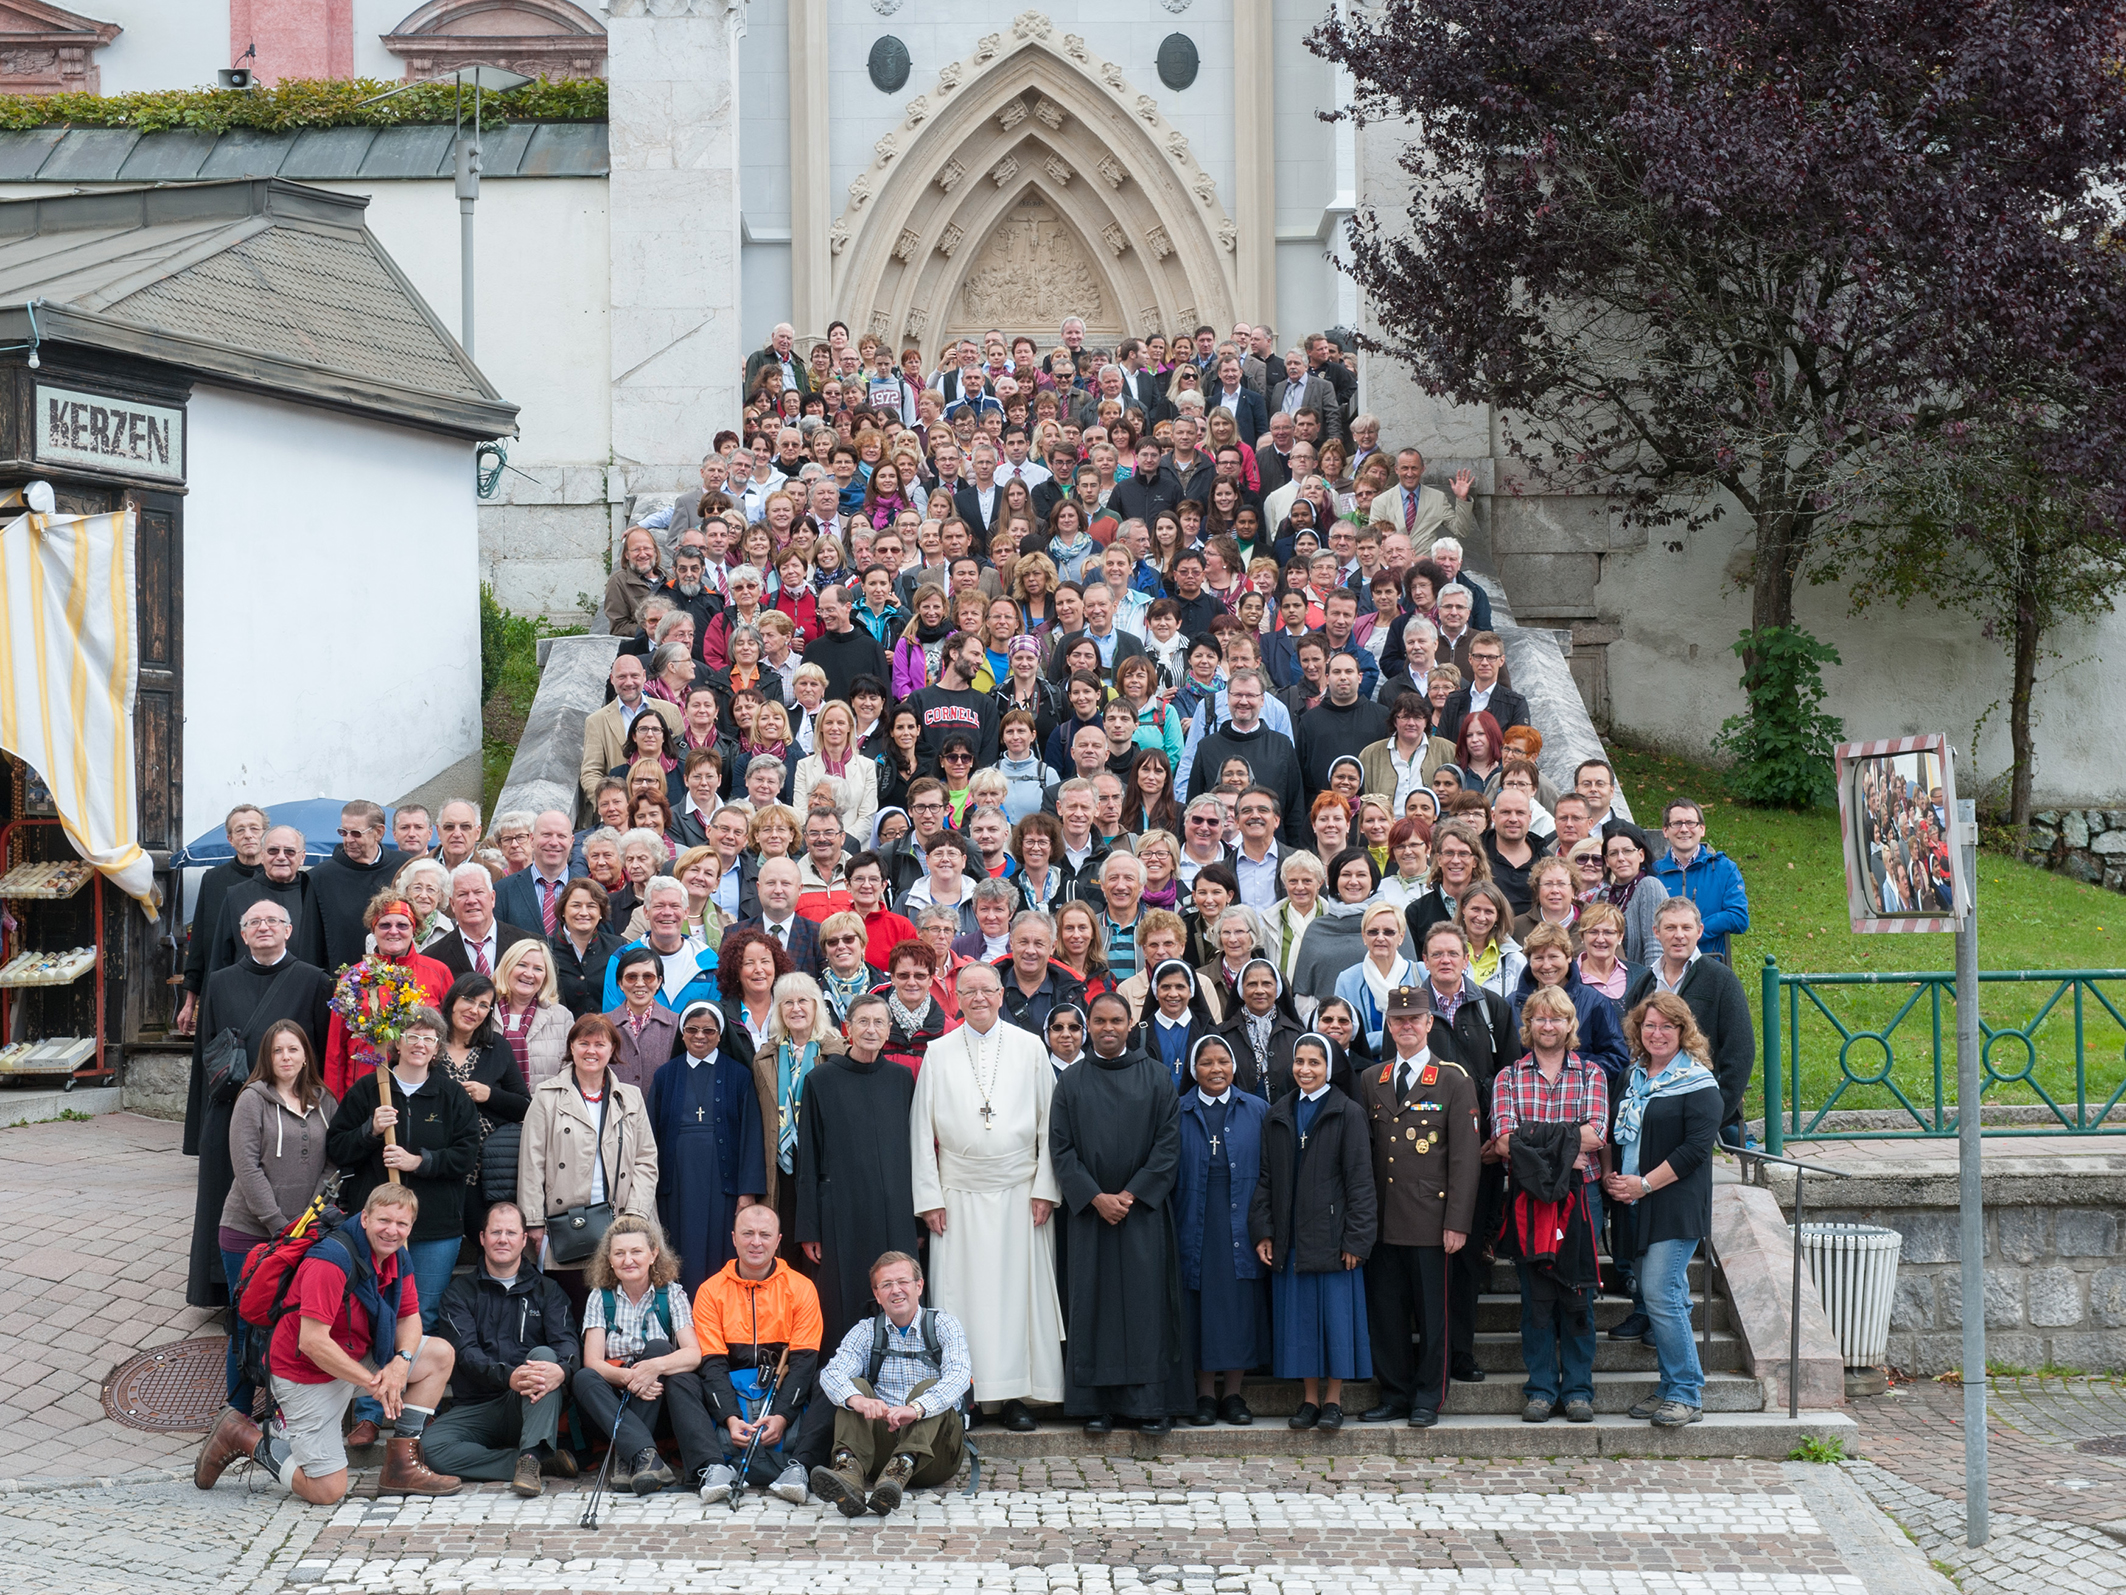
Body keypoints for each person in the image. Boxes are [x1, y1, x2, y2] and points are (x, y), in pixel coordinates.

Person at [193, 1184, 460, 1502]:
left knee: (439, 1355)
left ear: (411, 1227)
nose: (392, 1231)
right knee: (326, 1490)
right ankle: (241, 1435)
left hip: (352, 1357)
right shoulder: (331, 1260)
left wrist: (401, 1362)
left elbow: (409, 1317)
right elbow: (312, 1342)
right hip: (304, 1373)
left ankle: (401, 1467)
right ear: (365, 1218)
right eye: (384, 1220)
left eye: (402, 1224)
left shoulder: (396, 1254)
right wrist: (376, 1382)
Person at [909, 960, 1063, 1430]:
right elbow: (921, 1131)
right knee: (962, 1299)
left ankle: (1016, 1395)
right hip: (958, 1195)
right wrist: (929, 1198)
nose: (978, 997)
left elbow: (1050, 1124)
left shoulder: (1030, 1047)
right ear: (956, 998)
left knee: (1017, 1298)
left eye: (987, 990)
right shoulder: (938, 1052)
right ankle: (965, 1394)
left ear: (1001, 995)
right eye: (968, 991)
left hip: (1021, 1193)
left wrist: (1046, 1188)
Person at [184, 896, 333, 1310]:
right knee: (226, 1199)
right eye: (254, 922)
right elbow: (208, 1052)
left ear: (288, 930)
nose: (263, 927)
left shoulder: (314, 980)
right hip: (231, 1106)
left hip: (293, 1108)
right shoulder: (219, 982)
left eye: (272, 920)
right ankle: (225, 1290)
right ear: (242, 934)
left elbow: (321, 1052)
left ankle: (287, 1292)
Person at [1050, 989, 1186, 1434]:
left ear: (1130, 1025)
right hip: (1091, 1216)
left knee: (1146, 1307)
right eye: (1099, 1021)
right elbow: (1060, 1148)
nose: (1107, 1028)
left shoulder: (1157, 1077)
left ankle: (1148, 1404)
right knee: (1093, 1305)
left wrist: (1131, 1194)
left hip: (1142, 1213)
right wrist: (1095, 1197)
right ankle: (1096, 1404)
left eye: (1116, 1021)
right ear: (1088, 1027)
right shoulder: (1071, 1081)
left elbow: (1168, 1145)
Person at [1354, 982, 1481, 1427]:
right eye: (1398, 1020)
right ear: (1388, 1026)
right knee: (1386, 1314)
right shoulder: (1372, 1079)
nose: (1406, 1026)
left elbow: (1465, 1159)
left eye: (1414, 1019)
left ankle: (1428, 1396)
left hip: (1431, 1221)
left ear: (1429, 1023)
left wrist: (1457, 1221)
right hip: (1383, 1221)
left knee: (1433, 1316)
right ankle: (1394, 1393)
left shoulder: (1452, 1080)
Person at [326, 1005, 480, 1350]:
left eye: (429, 1038)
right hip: (377, 1227)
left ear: (438, 1048)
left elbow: (466, 1156)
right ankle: (370, 1385)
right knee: (369, 1312)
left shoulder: (451, 1096)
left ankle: (410, 1381)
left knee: (421, 1314)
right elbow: (336, 1147)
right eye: (412, 1036)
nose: (420, 1044)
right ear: (397, 1042)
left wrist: (420, 1162)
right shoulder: (370, 1090)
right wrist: (370, 1130)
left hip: (434, 1227)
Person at [1603, 994, 1723, 1427]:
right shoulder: (1631, 1076)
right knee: (1662, 1295)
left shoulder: (1698, 1083)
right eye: (1649, 1025)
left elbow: (1694, 1151)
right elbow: (1612, 1132)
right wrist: (1613, 1176)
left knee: (1660, 1292)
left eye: (1667, 1026)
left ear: (1683, 1031)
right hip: (1633, 1201)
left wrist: (1646, 1183)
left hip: (1674, 1204)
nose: (1657, 1034)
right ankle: (1671, 1386)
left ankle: (1687, 1393)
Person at [1491, 985, 1608, 1425]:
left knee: (1578, 1295)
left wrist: (1532, 1141)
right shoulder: (1508, 1077)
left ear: (1569, 1024)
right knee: (1535, 1297)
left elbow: (1596, 1134)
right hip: (1529, 1198)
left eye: (1556, 1018)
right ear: (1528, 1024)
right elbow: (1504, 1141)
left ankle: (1578, 1391)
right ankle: (1540, 1390)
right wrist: (1564, 1144)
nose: (1547, 1025)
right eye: (1539, 1018)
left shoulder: (1592, 1074)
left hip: (1582, 1194)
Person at [1251, 1030, 1376, 1432]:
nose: (1305, 1070)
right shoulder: (1279, 1112)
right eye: (1299, 1062)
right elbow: (1266, 1178)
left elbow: (1361, 1182)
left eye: (1314, 1062)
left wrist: (1357, 1239)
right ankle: (1308, 1400)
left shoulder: (1347, 1112)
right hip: (1290, 1236)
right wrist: (1264, 1230)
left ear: (1330, 1067)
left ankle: (1334, 1400)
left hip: (1334, 1236)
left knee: (1335, 1322)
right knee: (1301, 1321)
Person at [217, 1021, 338, 1420]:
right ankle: (236, 1416)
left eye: (293, 1049)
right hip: (249, 1231)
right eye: (277, 1051)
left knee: (290, 1325)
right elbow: (246, 1167)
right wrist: (277, 1224)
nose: (286, 1057)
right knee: (247, 1323)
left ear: (305, 1055)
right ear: (267, 1057)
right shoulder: (252, 1099)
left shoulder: (324, 1100)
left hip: (303, 1233)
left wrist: (308, 1218)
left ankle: (282, 1412)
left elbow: (332, 1162)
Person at [425, 1201, 582, 1495]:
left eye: (511, 1233)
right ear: (482, 1238)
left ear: (524, 1240)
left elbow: (568, 1344)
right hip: (476, 1407)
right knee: (431, 1449)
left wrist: (562, 1371)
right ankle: (534, 1461)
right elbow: (465, 1353)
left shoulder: (547, 1291)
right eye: (496, 1232)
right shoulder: (459, 1294)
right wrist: (508, 1376)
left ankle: (531, 1458)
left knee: (545, 1358)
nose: (503, 1239)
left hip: (528, 1404)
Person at [808, 1251, 971, 1516]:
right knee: (854, 1387)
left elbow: (959, 1376)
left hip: (935, 1455)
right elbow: (831, 1373)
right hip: (881, 1453)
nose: (896, 1290)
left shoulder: (944, 1325)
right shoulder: (865, 1330)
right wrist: (858, 1400)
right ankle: (849, 1474)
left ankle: (902, 1467)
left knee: (928, 1388)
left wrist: (916, 1409)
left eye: (903, 1282)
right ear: (877, 1294)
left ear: (919, 1286)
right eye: (886, 1285)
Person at [517, 1015, 661, 1311]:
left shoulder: (630, 1097)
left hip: (622, 1219)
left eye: (600, 1044)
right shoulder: (546, 1096)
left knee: (620, 1309)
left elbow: (646, 1160)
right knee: (573, 1308)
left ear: (612, 1049)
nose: (591, 1051)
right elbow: (531, 1162)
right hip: (566, 1223)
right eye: (583, 1043)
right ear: (571, 1047)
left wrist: (635, 1215)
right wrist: (533, 1220)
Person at [686, 1204, 821, 1504]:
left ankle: (799, 1468)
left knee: (827, 1379)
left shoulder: (802, 1288)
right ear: (734, 1238)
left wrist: (782, 1417)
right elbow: (712, 1364)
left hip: (782, 1393)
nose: (756, 1242)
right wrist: (730, 1418)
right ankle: (713, 1467)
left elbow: (803, 1364)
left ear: (778, 1240)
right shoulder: (710, 1291)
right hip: (730, 1400)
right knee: (682, 1381)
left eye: (765, 1235)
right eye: (748, 1234)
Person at [1174, 1032, 1270, 1426]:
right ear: (1193, 1069)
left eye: (1223, 1061)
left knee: (1238, 1308)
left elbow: (1270, 1173)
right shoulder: (1178, 1110)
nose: (1216, 1069)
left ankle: (1233, 1394)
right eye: (1206, 1062)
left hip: (1242, 1223)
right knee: (1199, 1308)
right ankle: (1203, 1395)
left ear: (1234, 1066)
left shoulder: (1258, 1109)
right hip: (1194, 1221)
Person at [570, 1214, 701, 1494]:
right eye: (619, 1253)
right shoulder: (599, 1297)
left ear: (653, 1255)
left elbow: (693, 1355)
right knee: (583, 1377)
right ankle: (644, 1455)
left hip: (656, 1401)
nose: (628, 1260)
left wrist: (653, 1368)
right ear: (609, 1259)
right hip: (611, 1402)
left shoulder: (672, 1294)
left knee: (658, 1347)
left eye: (636, 1251)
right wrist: (631, 1377)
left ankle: (627, 1456)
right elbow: (592, 1361)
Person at [649, 1002, 766, 1295]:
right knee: (678, 1251)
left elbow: (752, 1134)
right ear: (682, 1033)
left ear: (720, 1034)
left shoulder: (739, 1075)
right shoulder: (665, 1075)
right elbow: (650, 1135)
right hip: (676, 1184)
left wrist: (747, 1191)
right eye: (692, 1029)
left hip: (723, 1185)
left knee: (719, 1253)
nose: (700, 1036)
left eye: (708, 1031)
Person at [1623, 898, 1756, 1148]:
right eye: (1670, 928)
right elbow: (1630, 1042)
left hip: (1697, 1106)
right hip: (1649, 1111)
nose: (1679, 935)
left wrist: (1716, 1110)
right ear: (1656, 932)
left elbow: (1741, 1050)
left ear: (1699, 931)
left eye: (1686, 927)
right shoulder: (1645, 983)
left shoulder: (1721, 980)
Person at [322, 892, 454, 1099]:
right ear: (373, 929)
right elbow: (335, 1048)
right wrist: (335, 1101)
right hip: (363, 1089)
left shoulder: (438, 972)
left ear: (414, 929)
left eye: (402, 925)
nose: (394, 931)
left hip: (421, 1090)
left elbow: (452, 1040)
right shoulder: (353, 978)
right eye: (385, 925)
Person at [433, 972, 533, 1238]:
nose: (474, 1010)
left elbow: (525, 1105)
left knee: (483, 1237)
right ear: (453, 1000)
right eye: (468, 999)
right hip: (436, 1165)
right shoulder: (428, 1043)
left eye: (483, 1005)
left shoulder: (496, 1047)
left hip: (484, 1171)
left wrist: (489, 1095)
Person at [178, 803, 268, 1034]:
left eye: (254, 828)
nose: (248, 835)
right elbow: (199, 943)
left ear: (265, 834)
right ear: (230, 839)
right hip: (222, 989)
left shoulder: (279, 879)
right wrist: (189, 1003)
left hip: (269, 988)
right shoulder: (213, 880)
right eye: (240, 830)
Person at [306, 801, 407, 976]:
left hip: (403, 980)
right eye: (343, 832)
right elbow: (310, 946)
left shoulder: (403, 866)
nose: (348, 840)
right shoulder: (320, 877)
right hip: (343, 983)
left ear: (379, 832)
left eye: (356, 833)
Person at [1648, 799, 1751, 963]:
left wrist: (1694, 930)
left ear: (1702, 829)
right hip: (1664, 965)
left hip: (1710, 964)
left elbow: (1739, 918)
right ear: (1665, 831)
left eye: (1690, 823)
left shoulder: (1724, 869)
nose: (1684, 829)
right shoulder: (1652, 873)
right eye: (1676, 823)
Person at [551, 878, 625, 1018]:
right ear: (563, 910)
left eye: (591, 906)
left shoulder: (617, 947)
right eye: (576, 905)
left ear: (601, 912)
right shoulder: (547, 949)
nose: (584, 912)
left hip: (608, 1029)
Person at [1603, 825, 1670, 969]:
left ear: (1641, 855)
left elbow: (1655, 947)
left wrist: (1650, 980)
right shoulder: (1603, 896)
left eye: (1627, 851)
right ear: (1607, 861)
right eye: (1613, 853)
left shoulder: (1649, 887)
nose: (1621, 858)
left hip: (1641, 978)